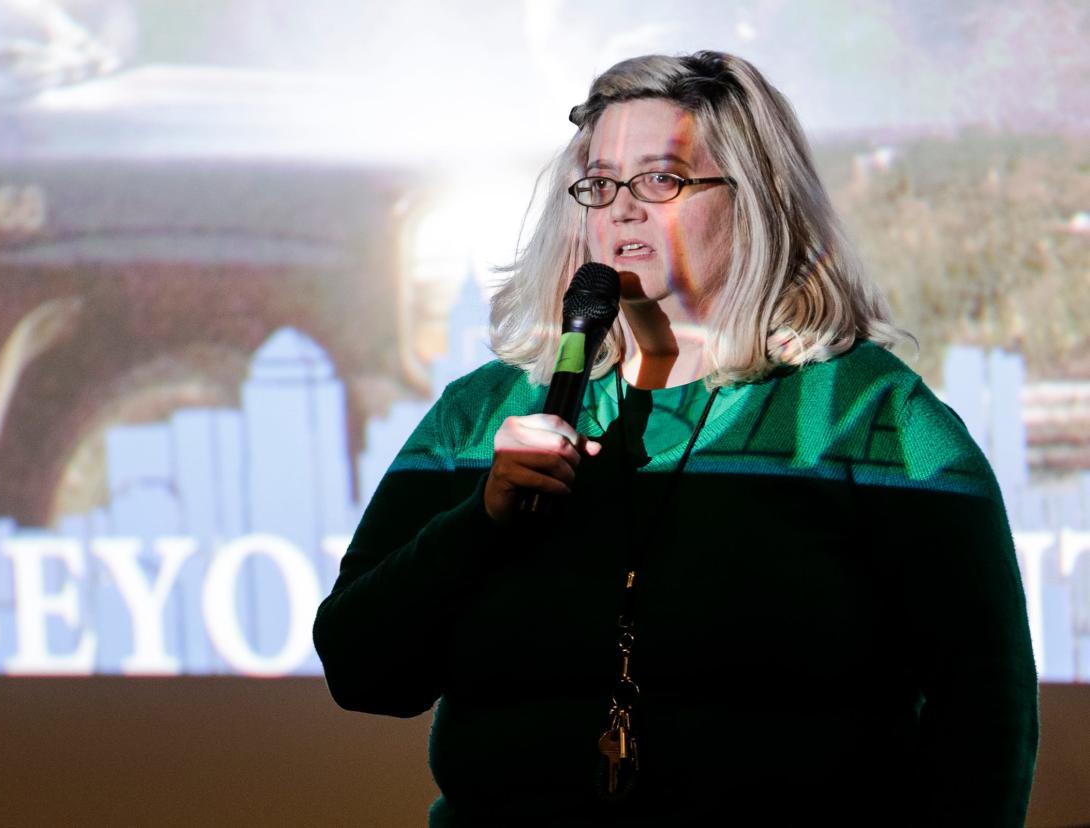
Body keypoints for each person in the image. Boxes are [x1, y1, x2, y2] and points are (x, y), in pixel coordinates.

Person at [313, 51, 1038, 826]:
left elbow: (983, 717)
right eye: (599, 184)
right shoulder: (481, 414)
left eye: (661, 180)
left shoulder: (877, 421)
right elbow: (363, 671)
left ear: (756, 199)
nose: (622, 208)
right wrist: (481, 520)